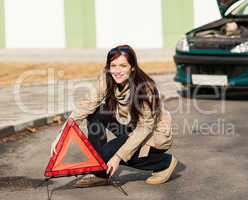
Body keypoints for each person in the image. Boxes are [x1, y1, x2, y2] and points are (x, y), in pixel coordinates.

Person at [50, 44, 177, 187]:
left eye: (123, 66)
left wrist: (118, 157)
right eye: (113, 65)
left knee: (109, 153)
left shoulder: (145, 89)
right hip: (132, 127)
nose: (117, 71)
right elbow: (87, 104)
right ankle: (100, 173)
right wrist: (62, 135)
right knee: (97, 112)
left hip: (153, 135)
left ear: (132, 67)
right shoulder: (108, 79)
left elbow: (144, 128)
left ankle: (164, 163)